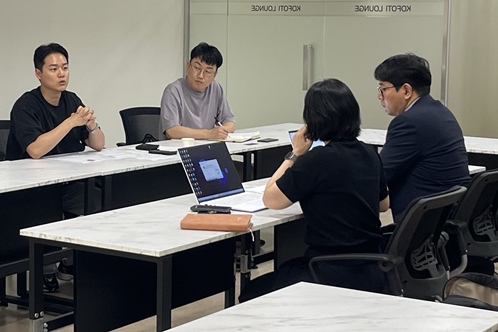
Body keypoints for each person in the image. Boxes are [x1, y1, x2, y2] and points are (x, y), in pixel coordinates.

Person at [239, 78, 390, 302]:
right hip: (372, 268)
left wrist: (295, 153)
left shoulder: (316, 159)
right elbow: (383, 204)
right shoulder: (369, 152)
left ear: (313, 120)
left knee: (252, 291)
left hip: (328, 271)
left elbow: (271, 199)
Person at [6, 42, 105, 292]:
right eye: (53, 69)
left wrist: (91, 125)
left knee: (100, 200)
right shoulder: (26, 105)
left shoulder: (72, 100)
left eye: (65, 68)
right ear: (38, 74)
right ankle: (45, 269)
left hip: (68, 181)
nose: (61, 74)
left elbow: (98, 144)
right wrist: (71, 122)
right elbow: (35, 150)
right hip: (32, 186)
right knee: (49, 207)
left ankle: (70, 262)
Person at [374, 53, 470, 222]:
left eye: (383, 89)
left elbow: (379, 176)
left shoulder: (409, 122)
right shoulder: (441, 112)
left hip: (423, 225)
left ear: (406, 90)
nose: (379, 96)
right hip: (446, 218)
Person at [159, 42, 235, 140]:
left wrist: (222, 131)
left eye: (208, 71)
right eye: (197, 68)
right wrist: (209, 134)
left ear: (214, 75)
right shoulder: (173, 91)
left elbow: (229, 120)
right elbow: (172, 131)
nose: (200, 75)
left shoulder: (216, 88)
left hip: (207, 145)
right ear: (188, 66)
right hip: (180, 147)